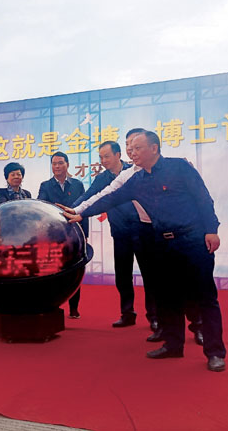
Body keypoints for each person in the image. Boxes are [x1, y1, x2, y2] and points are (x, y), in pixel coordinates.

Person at [64, 131, 226, 372]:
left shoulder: (179, 167)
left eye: (137, 148)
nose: (132, 152)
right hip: (162, 242)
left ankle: (215, 352)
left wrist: (211, 230)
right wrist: (80, 213)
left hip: (192, 240)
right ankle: (173, 344)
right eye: (130, 148)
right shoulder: (136, 180)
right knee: (167, 296)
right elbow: (110, 198)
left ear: (154, 148)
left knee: (203, 296)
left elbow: (203, 198)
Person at [69, 138, 158, 329]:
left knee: (149, 274)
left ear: (118, 155)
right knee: (123, 275)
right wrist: (71, 209)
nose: (103, 161)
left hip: (142, 231)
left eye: (107, 156)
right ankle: (127, 313)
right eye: (101, 157)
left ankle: (154, 316)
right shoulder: (102, 179)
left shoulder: (134, 171)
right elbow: (90, 197)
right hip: (120, 232)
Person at [37, 151, 89, 319]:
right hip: (53, 234)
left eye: (60, 163)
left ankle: (74, 307)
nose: (57, 166)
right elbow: (41, 206)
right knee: (51, 271)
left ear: (67, 164)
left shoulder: (77, 184)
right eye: (54, 164)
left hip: (74, 233)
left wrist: (85, 234)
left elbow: (83, 209)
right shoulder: (45, 185)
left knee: (75, 269)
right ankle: (52, 305)